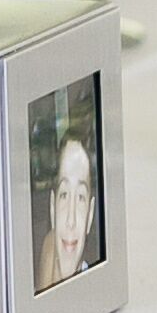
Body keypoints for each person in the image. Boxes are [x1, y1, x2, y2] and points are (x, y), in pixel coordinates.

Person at [37, 118, 97, 289]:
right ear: (52, 208)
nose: (71, 220)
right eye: (64, 195)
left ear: (90, 215)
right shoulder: (48, 247)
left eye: (80, 198)